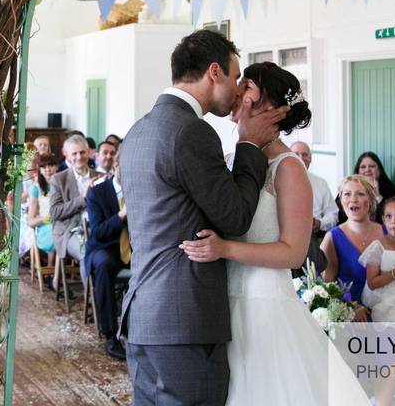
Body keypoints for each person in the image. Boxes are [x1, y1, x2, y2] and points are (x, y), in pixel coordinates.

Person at [179, 62, 368, 406]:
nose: (237, 91)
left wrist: (224, 249)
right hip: (221, 302)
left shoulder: (289, 168)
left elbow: (294, 253)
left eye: (247, 86)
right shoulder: (230, 157)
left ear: (269, 104)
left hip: (263, 306)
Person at [119, 31, 285, 405]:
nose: (239, 89)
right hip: (184, 321)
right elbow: (235, 217)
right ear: (215, 72)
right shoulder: (192, 130)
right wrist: (248, 145)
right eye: (235, 75)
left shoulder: (139, 130)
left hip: (143, 313)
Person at [320, 175, 385, 318]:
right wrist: (349, 306)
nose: (353, 199)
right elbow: (326, 287)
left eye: (360, 194)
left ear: (371, 199)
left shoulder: (387, 233)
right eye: (347, 194)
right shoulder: (332, 238)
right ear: (341, 200)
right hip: (352, 313)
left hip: (387, 307)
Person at [85, 147, 129, 361]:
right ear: (117, 167)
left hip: (133, 249)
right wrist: (121, 215)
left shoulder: (141, 191)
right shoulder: (97, 192)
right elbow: (99, 231)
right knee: (102, 265)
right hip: (104, 247)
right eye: (126, 167)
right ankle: (111, 335)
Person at [49, 135, 100, 278]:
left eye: (82, 152)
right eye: (74, 153)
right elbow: (54, 212)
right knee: (86, 251)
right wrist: (83, 198)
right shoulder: (59, 179)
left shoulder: (100, 176)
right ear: (68, 157)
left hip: (97, 229)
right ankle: (91, 299)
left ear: (89, 153)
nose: (79, 157)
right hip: (70, 231)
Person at [290, 141, 338, 233]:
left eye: (305, 154)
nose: (300, 158)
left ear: (310, 159)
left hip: (314, 237)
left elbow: (333, 215)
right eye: (296, 154)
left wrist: (319, 223)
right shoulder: (277, 181)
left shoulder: (321, 183)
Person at [26, 154, 59, 276]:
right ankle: (51, 271)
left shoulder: (62, 185)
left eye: (50, 165)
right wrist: (46, 218)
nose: (47, 169)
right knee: (55, 230)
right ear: (39, 169)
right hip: (45, 225)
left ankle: (57, 272)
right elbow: (30, 221)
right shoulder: (36, 189)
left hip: (62, 222)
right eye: (43, 166)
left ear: (56, 167)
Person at [351, 151, 395, 223]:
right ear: (358, 171)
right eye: (363, 167)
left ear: (379, 170)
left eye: (372, 166)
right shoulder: (348, 190)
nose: (367, 170)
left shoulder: (393, 191)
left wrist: (378, 197)